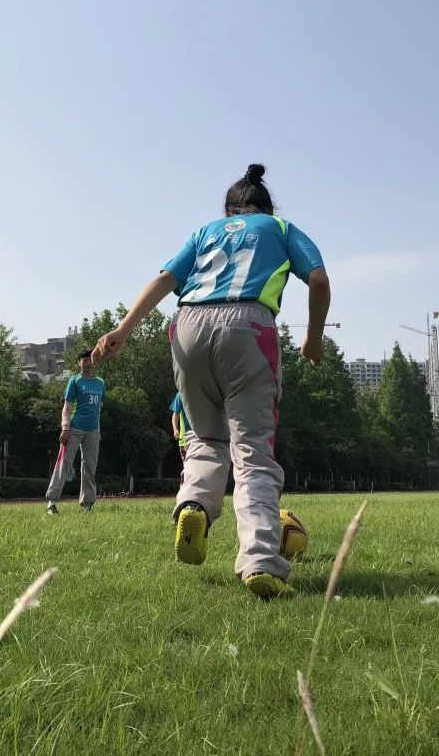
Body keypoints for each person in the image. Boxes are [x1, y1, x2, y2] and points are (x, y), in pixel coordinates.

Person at [93, 163, 331, 599]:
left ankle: (195, 505)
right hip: (249, 326)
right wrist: (314, 340)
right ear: (266, 205)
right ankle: (261, 560)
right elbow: (318, 278)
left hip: (187, 324)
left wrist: (122, 330)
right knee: (253, 451)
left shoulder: (206, 232)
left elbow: (166, 278)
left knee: (204, 436)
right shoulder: (279, 227)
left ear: (227, 210)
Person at [46, 350, 106, 513]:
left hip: (93, 431)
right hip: (74, 428)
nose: (88, 363)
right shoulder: (75, 381)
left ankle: (87, 504)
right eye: (84, 360)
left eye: (91, 360)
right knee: (64, 463)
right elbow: (67, 407)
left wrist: (96, 426)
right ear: (79, 363)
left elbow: (100, 406)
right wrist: (65, 428)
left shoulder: (100, 383)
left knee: (89, 467)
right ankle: (52, 502)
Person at [170, 392, 190, 459]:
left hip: (201, 438)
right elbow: (175, 414)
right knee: (188, 466)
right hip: (184, 440)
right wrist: (175, 429)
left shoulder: (201, 391)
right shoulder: (181, 394)